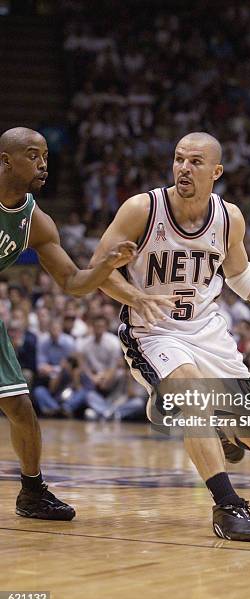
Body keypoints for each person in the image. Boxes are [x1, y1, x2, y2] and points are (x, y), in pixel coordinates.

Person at [91, 132, 250, 542]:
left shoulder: (228, 217)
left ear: (216, 171)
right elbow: (98, 268)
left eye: (195, 162)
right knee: (189, 391)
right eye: (179, 159)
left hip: (208, 332)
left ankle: (198, 420)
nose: (183, 168)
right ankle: (228, 505)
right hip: (154, 330)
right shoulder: (142, 209)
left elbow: (242, 275)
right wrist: (134, 295)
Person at [0, 126, 173, 521]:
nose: (43, 164)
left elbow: (73, 282)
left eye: (45, 156)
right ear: (6, 160)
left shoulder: (36, 222)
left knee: (22, 408)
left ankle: (32, 491)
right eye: (33, 155)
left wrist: (106, 266)